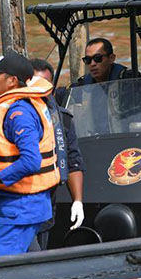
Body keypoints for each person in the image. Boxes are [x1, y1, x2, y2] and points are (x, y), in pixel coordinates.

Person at [0, 52, 60, 256]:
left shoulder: (19, 113)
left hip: (21, 207)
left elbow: (32, 161)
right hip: (14, 202)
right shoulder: (8, 106)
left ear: (11, 81)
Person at [30, 59, 85, 249]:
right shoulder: (15, 115)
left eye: (44, 86)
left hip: (45, 203)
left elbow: (73, 161)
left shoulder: (63, 120)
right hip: (17, 202)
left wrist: (77, 202)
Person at [72, 38, 137, 87]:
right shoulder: (83, 84)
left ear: (111, 58)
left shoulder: (129, 80)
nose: (92, 64)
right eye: (88, 60)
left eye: (97, 58)